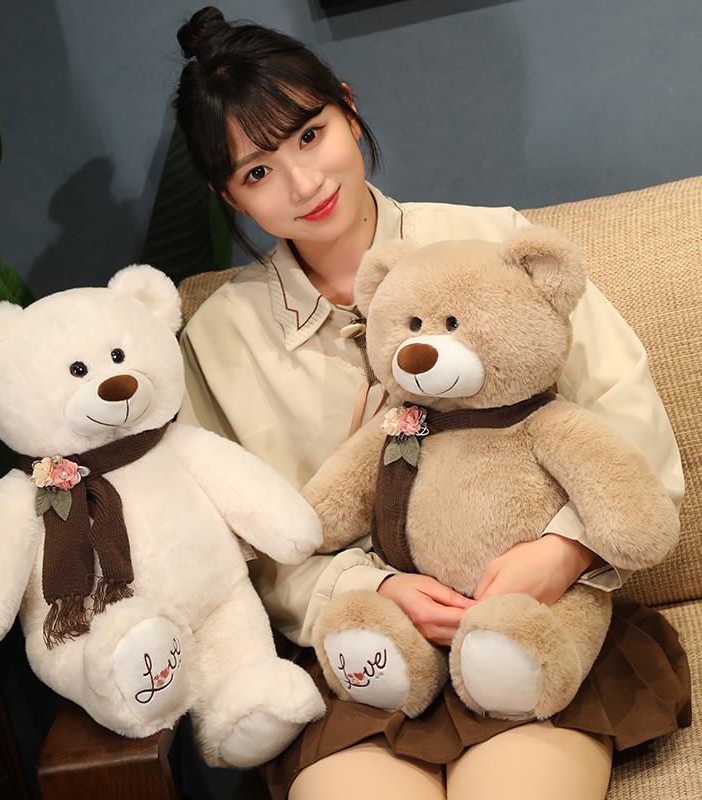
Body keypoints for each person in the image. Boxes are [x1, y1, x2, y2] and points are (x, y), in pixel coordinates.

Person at [172, 7, 689, 799]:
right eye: (257, 171)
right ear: (228, 195)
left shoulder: (493, 241)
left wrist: (564, 552)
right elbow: (244, 549)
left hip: (533, 622)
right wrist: (370, 589)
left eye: (310, 135)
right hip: (365, 656)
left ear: (348, 109)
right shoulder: (216, 341)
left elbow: (628, 426)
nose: (304, 183)